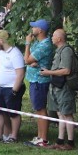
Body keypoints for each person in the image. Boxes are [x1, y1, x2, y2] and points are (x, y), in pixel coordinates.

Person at [40, 29, 77, 150]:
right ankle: (60, 141)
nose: (51, 37)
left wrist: (48, 73)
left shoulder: (66, 51)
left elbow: (66, 70)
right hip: (57, 87)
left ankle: (70, 142)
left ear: (59, 39)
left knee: (67, 114)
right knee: (60, 113)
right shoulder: (59, 51)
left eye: (54, 36)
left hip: (65, 87)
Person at [0, 30, 25, 143]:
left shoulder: (15, 53)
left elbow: (20, 73)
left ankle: (13, 136)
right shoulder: (2, 52)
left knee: (13, 112)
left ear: (1, 40)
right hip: (0, 87)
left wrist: (14, 90)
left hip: (11, 88)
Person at [24, 19, 54, 147]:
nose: (32, 29)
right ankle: (39, 136)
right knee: (38, 109)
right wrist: (31, 61)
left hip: (39, 80)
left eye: (34, 27)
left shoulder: (44, 45)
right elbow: (30, 59)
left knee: (41, 109)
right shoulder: (38, 43)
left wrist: (27, 43)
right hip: (34, 79)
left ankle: (43, 139)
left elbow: (27, 59)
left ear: (40, 30)